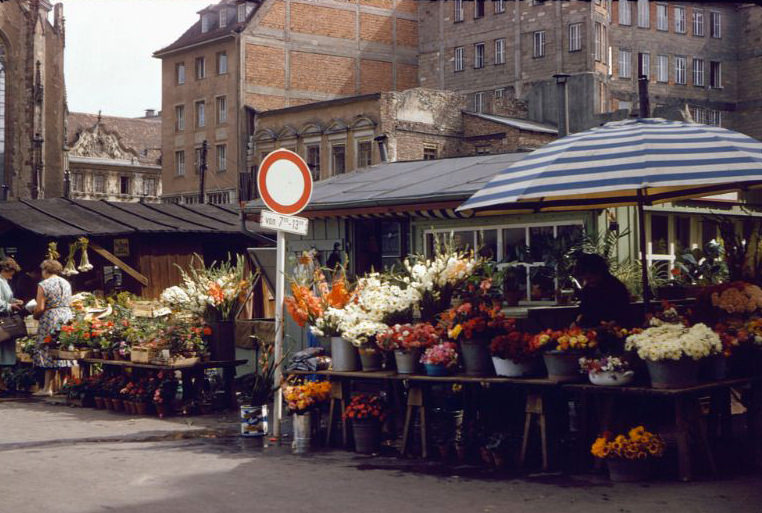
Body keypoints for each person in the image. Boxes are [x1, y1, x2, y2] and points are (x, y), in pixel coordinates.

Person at [33, 259, 73, 395]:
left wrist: (35, 315)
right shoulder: (66, 283)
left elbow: (40, 307)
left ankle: (47, 388)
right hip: (67, 315)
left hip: (51, 316)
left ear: (45, 270)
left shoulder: (44, 284)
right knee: (64, 348)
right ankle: (65, 385)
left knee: (48, 348)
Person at [573, 253, 631, 328]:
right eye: (585, 278)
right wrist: (577, 322)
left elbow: (624, 312)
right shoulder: (587, 288)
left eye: (590, 277)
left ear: (600, 272)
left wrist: (613, 323)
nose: (587, 280)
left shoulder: (616, 287)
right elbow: (584, 310)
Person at [0, 257, 24, 367]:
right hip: (2, 321)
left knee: (4, 351)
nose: (12, 276)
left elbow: (5, 298)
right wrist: (10, 306)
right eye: (11, 273)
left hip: (5, 320)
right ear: (5, 270)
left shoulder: (4, 281)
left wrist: (15, 301)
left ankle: (2, 382)